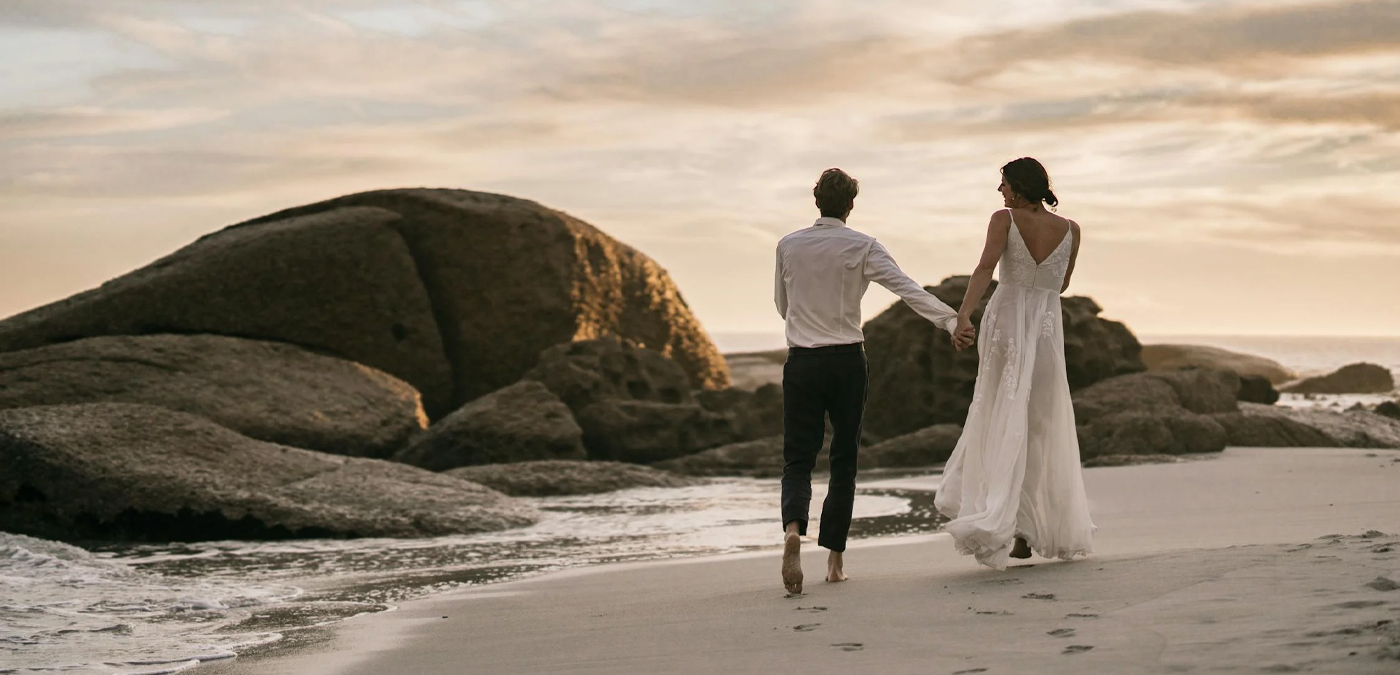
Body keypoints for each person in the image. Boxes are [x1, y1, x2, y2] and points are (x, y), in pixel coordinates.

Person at [775, 167, 974, 594]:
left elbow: (782, 304)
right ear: (850, 205)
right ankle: (834, 561)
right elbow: (907, 288)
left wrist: (807, 323)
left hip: (802, 361)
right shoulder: (863, 245)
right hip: (847, 360)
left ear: (816, 202)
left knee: (798, 458)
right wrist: (952, 321)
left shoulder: (788, 245)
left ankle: (793, 529)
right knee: (844, 459)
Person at [933, 157, 1096, 570]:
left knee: (998, 413)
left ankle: (1003, 521)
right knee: (1039, 423)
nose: (1000, 191)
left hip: (1007, 321)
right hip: (1045, 327)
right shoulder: (1071, 230)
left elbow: (985, 268)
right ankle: (1026, 528)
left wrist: (963, 316)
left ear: (1020, 188)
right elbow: (1063, 283)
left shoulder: (1003, 219)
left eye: (1003, 183)